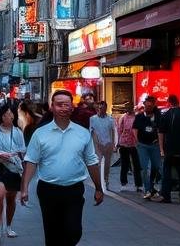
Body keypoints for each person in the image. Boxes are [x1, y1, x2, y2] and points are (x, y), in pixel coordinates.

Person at [19, 89, 104, 246]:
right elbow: (31, 161)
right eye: (59, 105)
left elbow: (92, 161)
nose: (63, 108)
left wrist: (99, 188)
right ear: (52, 107)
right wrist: (24, 188)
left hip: (74, 189)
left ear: (72, 107)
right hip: (48, 190)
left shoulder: (83, 133)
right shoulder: (40, 133)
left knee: (73, 231)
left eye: (67, 105)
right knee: (52, 233)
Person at [0, 101, 27, 240]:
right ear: (1, 116)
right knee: (0, 194)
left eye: (11, 114)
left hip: (14, 168)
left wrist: (24, 170)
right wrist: (0, 155)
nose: (9, 116)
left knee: (11, 198)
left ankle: (9, 226)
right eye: (6, 114)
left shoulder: (18, 132)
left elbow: (22, 152)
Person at [133, 95, 164, 200]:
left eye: (150, 106)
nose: (148, 108)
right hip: (143, 145)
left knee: (159, 167)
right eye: (147, 106)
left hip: (154, 145)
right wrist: (137, 141)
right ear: (144, 105)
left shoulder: (158, 116)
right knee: (144, 168)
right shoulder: (139, 116)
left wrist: (161, 148)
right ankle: (147, 189)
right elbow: (135, 129)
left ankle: (157, 189)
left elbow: (160, 132)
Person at [88, 101, 117, 191]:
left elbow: (113, 131)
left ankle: (106, 179)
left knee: (107, 164)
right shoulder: (93, 119)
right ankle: (98, 183)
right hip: (97, 144)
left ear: (105, 108)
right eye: (99, 108)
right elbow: (91, 131)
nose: (100, 110)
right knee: (98, 164)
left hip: (108, 143)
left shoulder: (110, 119)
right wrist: (95, 143)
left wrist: (113, 144)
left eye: (102, 108)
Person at [115, 105, 142, 191]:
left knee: (136, 164)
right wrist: (118, 142)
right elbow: (119, 130)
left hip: (134, 143)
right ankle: (123, 182)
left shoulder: (137, 117)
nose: (129, 110)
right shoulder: (123, 117)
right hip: (124, 143)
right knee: (124, 164)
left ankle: (138, 184)